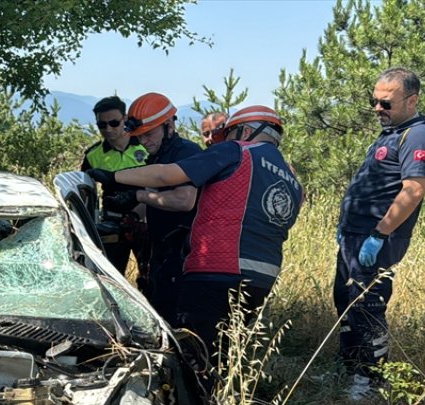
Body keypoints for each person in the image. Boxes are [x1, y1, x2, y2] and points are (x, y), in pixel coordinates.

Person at [89, 106, 302, 369]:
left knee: (191, 357)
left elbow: (166, 174)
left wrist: (113, 177)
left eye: (231, 133)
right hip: (262, 278)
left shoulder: (237, 150)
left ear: (246, 131)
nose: (225, 140)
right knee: (222, 356)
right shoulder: (293, 181)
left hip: (216, 270)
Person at [335, 67, 425, 400]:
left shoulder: (418, 136)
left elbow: (413, 190)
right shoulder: (389, 133)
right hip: (355, 235)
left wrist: (379, 234)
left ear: (412, 100)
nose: (378, 108)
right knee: (345, 299)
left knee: (367, 305)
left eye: (386, 103)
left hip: (377, 237)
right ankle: (352, 369)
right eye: (374, 102)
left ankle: (373, 380)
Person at [114, 92, 203, 320]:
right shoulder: (158, 155)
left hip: (183, 254)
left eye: (149, 134)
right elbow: (157, 198)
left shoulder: (186, 153)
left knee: (173, 318)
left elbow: (184, 200)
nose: (145, 141)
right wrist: (128, 212)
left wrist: (140, 196)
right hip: (162, 253)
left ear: (169, 125)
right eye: (140, 137)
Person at [80, 96, 148, 274]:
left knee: (151, 277)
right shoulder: (93, 156)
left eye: (114, 123)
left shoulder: (145, 146)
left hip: (147, 219)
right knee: (111, 277)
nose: (108, 129)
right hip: (113, 223)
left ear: (125, 119)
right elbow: (83, 192)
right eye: (102, 125)